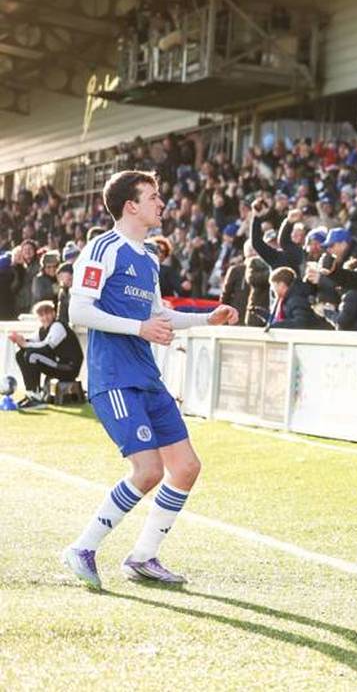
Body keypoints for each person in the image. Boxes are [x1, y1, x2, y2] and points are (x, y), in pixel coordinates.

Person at [62, 170, 239, 590]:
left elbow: (158, 316)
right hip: (115, 378)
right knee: (146, 470)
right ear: (131, 205)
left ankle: (143, 557)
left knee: (187, 468)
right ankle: (82, 548)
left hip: (147, 376)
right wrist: (138, 329)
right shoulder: (102, 248)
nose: (162, 203)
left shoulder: (148, 258)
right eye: (154, 196)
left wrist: (204, 317)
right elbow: (79, 313)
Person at [7, 299, 82, 409]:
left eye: (47, 313)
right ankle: (31, 393)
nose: (45, 317)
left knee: (32, 355)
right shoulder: (42, 330)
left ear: (53, 313)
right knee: (20, 354)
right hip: (57, 364)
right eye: (41, 315)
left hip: (69, 367)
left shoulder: (58, 326)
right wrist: (19, 340)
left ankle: (36, 397)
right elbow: (32, 342)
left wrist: (25, 344)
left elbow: (46, 347)